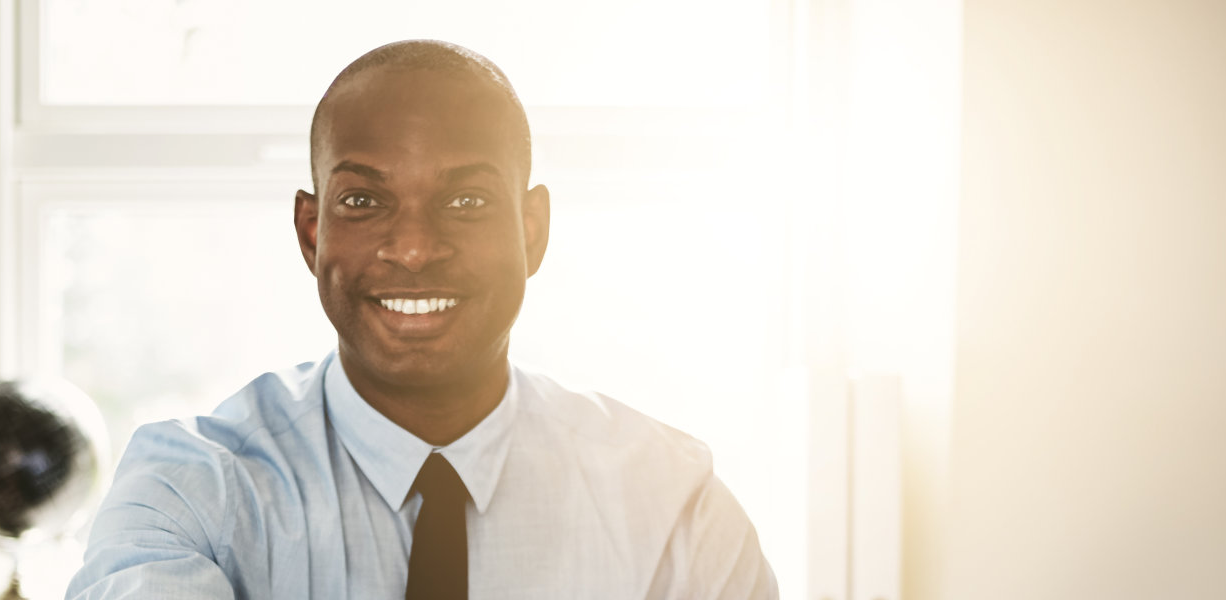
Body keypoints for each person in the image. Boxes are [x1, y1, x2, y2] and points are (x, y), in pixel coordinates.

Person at [66, 39, 777, 600]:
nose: (412, 249)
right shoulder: (192, 494)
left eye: (466, 202)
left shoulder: (672, 509)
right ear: (311, 234)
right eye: (363, 202)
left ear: (533, 229)